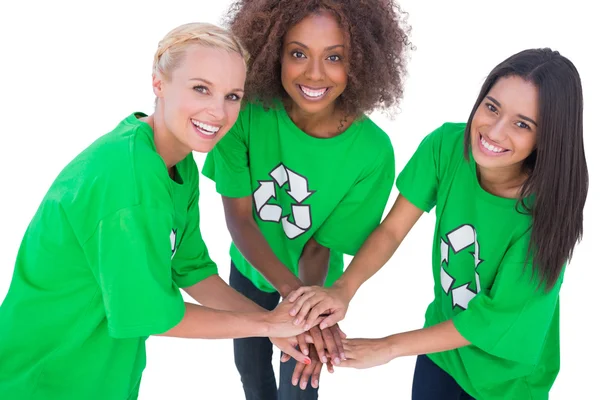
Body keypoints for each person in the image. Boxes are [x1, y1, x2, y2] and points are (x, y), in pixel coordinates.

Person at [0, 22, 318, 400]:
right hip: (44, 380)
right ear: (158, 84)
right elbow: (151, 314)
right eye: (201, 88)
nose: (217, 111)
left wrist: (275, 327)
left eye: (233, 96)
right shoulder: (127, 181)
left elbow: (192, 270)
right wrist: (267, 323)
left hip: (103, 377)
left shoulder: (175, 162)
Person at [288, 48, 588, 399]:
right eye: (491, 107)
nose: (494, 130)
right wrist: (342, 289)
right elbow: (392, 229)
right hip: (441, 351)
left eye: (523, 124)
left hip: (505, 382)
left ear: (547, 138)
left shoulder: (544, 215)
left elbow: (489, 321)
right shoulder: (446, 147)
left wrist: (388, 347)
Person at [201, 0, 411, 398]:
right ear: (272, 52)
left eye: (335, 57)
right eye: (298, 53)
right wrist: (291, 299)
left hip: (313, 284)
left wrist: (307, 314)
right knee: (249, 368)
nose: (315, 73)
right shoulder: (242, 113)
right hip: (249, 268)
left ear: (362, 62)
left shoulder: (371, 152)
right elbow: (240, 220)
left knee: (299, 383)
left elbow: (320, 245)